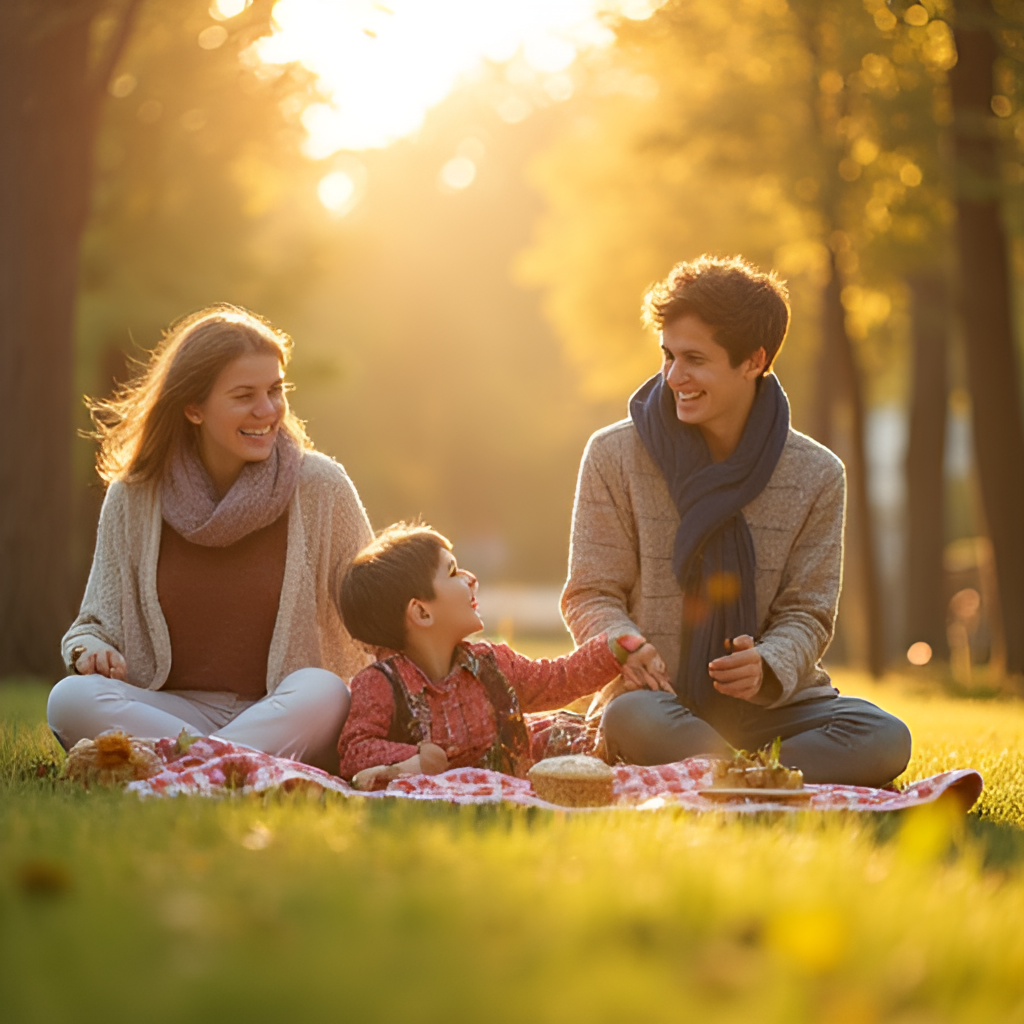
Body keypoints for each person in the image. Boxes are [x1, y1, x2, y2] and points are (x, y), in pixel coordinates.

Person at [561, 255, 911, 788]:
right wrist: (624, 645)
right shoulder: (613, 455)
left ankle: (722, 772)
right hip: (657, 702)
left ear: (753, 360)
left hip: (774, 710)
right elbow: (591, 593)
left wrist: (767, 665)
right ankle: (761, 776)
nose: (674, 377)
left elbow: (808, 612)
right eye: (668, 355)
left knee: (884, 736)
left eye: (695, 359)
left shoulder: (817, 474)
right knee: (630, 719)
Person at [47, 304, 373, 771]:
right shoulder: (135, 496)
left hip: (282, 709)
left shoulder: (321, 487)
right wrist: (90, 651)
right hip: (171, 711)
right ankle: (228, 765)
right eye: (244, 395)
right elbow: (93, 624)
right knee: (68, 698)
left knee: (325, 691)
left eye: (275, 390)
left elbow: (372, 611)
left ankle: (181, 767)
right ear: (193, 408)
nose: (268, 410)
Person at [334, 523, 643, 788]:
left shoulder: (492, 663)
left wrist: (615, 648)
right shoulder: (380, 685)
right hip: (449, 791)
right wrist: (414, 756)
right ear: (422, 613)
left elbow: (558, 678)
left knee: (587, 738)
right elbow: (355, 750)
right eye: (453, 571)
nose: (471, 578)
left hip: (518, 764)